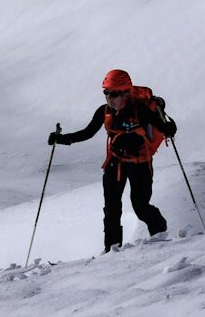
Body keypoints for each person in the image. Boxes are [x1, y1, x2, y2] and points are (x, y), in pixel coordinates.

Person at [49, 68, 177, 252]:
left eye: (114, 93)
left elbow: (165, 129)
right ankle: (111, 249)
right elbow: (87, 132)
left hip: (140, 163)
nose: (109, 98)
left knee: (140, 206)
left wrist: (169, 127)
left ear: (126, 92)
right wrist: (61, 139)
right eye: (106, 93)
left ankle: (159, 235)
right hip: (115, 162)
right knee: (111, 209)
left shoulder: (140, 110)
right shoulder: (104, 111)